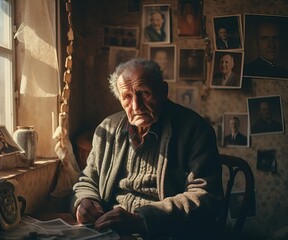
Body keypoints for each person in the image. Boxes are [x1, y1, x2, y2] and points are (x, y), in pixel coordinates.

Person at [71, 58, 224, 239]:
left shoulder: (195, 130)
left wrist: (143, 220)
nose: (136, 105)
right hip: (109, 229)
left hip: (166, 232)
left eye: (144, 93)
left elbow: (205, 196)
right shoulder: (108, 129)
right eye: (127, 96)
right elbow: (87, 178)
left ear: (163, 91)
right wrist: (84, 200)